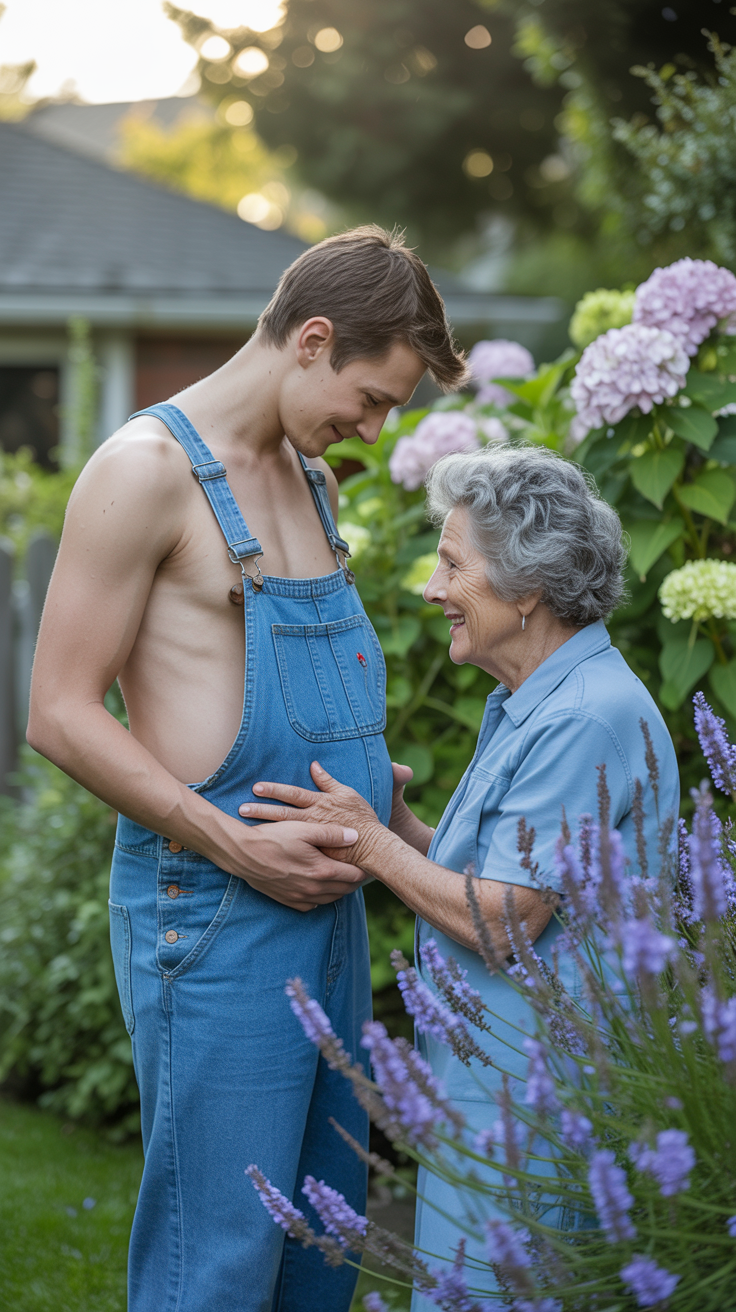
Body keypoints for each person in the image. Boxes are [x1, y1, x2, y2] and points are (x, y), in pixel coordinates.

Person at [27, 226, 467, 1312]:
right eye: (370, 398)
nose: (370, 429)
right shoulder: (144, 472)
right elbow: (58, 711)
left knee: (321, 1247)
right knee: (217, 1260)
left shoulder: (308, 477)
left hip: (329, 911)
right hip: (214, 908)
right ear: (311, 340)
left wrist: (374, 784)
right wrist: (235, 842)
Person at [241, 443, 680, 1307]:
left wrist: (373, 845)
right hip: (499, 1084)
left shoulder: (583, 718)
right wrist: (405, 831)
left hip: (538, 1099)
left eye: (453, 566)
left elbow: (509, 920)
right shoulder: (545, 697)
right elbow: (529, 879)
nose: (432, 589)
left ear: (526, 589)